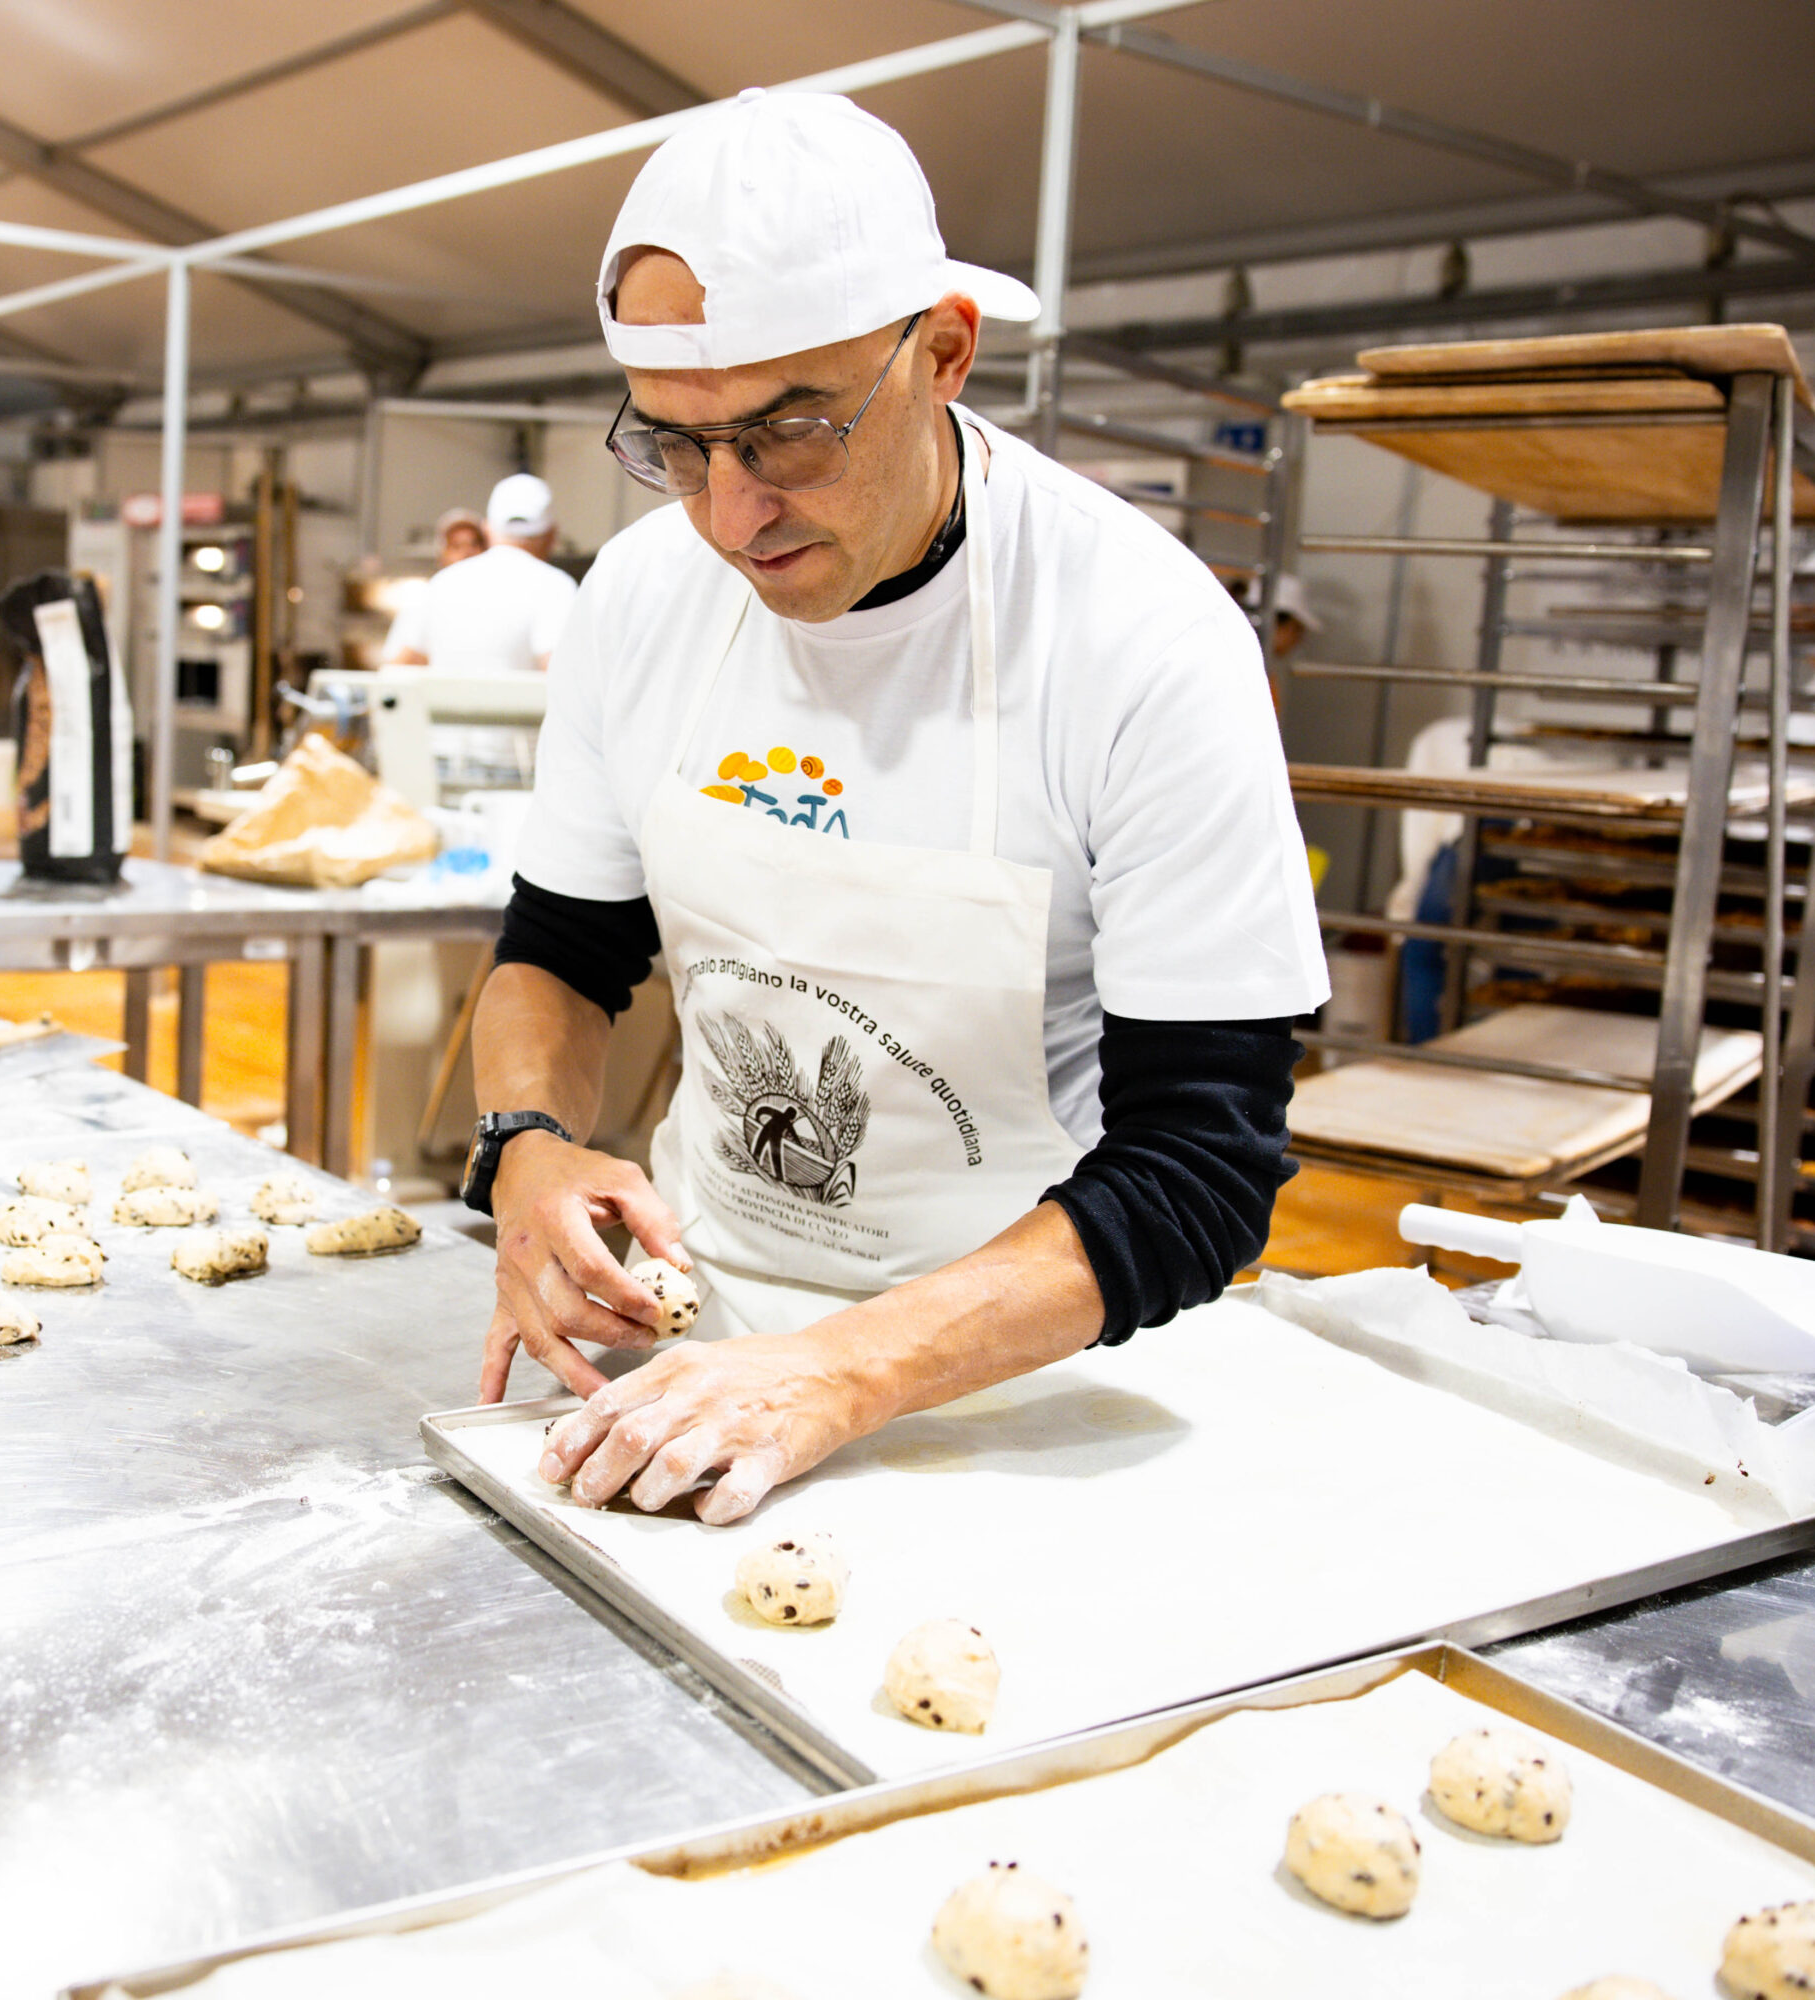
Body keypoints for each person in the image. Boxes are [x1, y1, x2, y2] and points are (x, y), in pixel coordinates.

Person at [460, 89, 1327, 1524]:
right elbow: (562, 949)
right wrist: (525, 1145)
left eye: (792, 432)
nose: (734, 515)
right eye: (677, 445)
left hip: (1022, 1381)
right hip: (694, 1338)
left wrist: (842, 1372)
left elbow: (1205, 1165)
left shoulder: (1137, 634)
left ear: (942, 351)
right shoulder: (643, 598)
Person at [384, 473, 580, 677]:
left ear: (487, 529)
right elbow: (562, 676)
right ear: (552, 534)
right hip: (517, 710)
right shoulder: (555, 586)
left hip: (443, 709)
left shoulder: (442, 583)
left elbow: (398, 670)